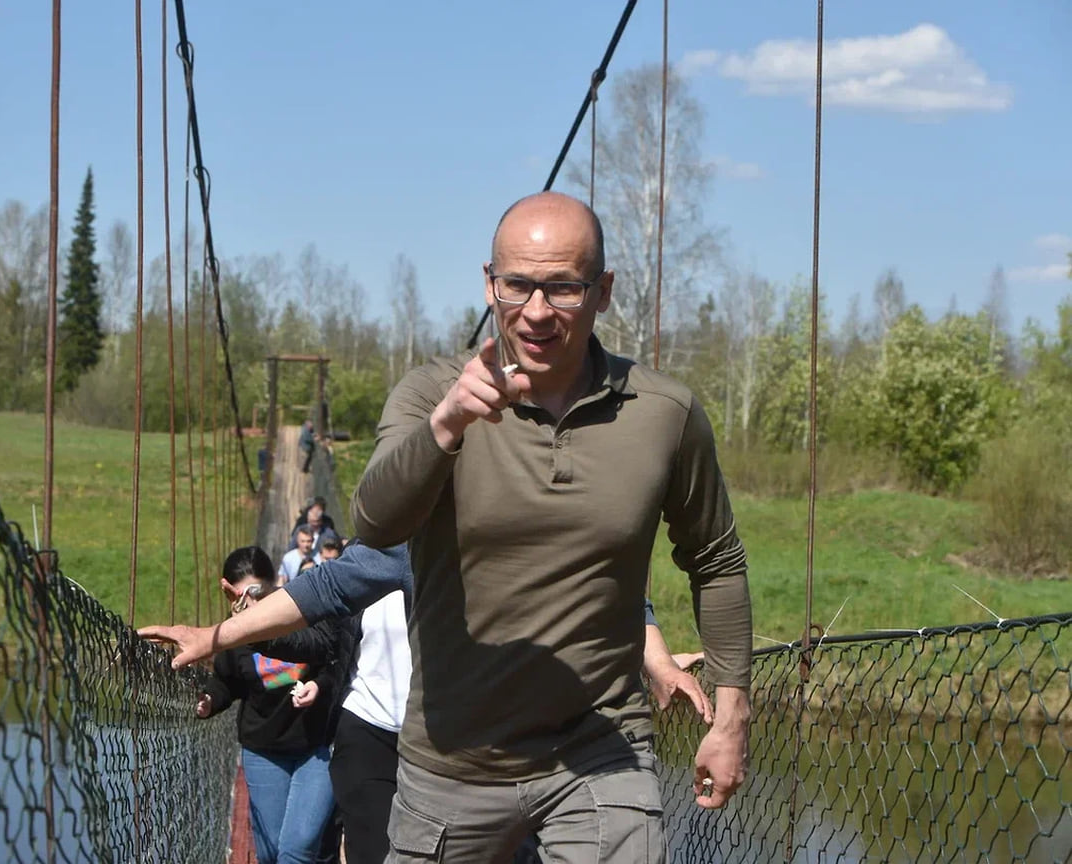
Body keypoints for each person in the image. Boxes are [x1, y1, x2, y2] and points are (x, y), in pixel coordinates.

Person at [349, 191, 753, 863]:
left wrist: (732, 715)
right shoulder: (431, 395)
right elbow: (373, 523)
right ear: (490, 283)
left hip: (601, 750)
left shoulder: (665, 415)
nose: (536, 312)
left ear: (603, 292)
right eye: (518, 286)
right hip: (456, 756)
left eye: (564, 288)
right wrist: (445, 428)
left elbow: (716, 559)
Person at [141, 543, 713, 864]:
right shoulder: (388, 554)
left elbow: (606, 586)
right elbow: (314, 617)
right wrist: (220, 635)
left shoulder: (508, 535)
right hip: (370, 733)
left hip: (463, 742)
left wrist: (653, 661)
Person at [192, 546, 341, 864]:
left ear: (274, 585)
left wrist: (319, 684)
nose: (254, 604)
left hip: (315, 748)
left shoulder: (304, 616)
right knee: (273, 851)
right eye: (244, 597)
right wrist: (210, 701)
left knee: (296, 850)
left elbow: (336, 661)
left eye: (258, 592)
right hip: (264, 751)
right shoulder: (233, 637)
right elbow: (226, 682)